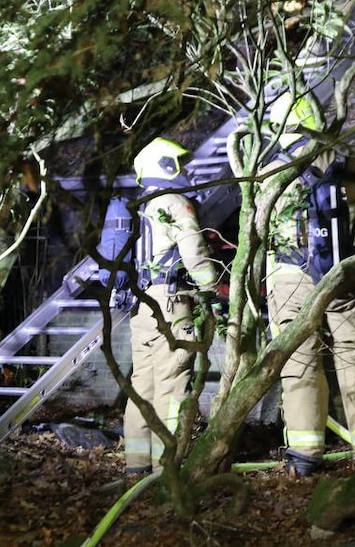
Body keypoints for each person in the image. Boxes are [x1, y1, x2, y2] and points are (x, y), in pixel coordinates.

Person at [261, 92, 355, 477]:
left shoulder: (270, 166)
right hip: (343, 273)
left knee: (299, 362)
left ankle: (305, 456)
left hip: (289, 277)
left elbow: (256, 226)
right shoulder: (345, 161)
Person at [123, 137, 220, 475]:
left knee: (141, 388)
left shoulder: (140, 205)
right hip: (171, 303)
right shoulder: (175, 202)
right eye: (180, 162)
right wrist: (213, 289)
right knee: (172, 384)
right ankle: (167, 468)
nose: (187, 169)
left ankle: (136, 466)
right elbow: (193, 252)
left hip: (141, 307)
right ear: (166, 165)